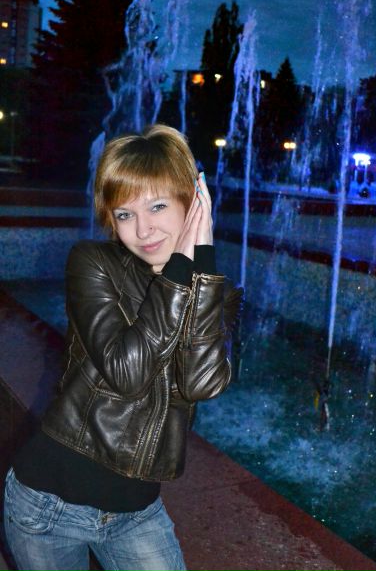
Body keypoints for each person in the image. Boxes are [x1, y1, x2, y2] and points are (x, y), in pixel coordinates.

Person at [3, 124, 243, 571]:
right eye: (125, 214)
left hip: (136, 514)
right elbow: (127, 374)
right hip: (49, 506)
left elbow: (201, 383)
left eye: (157, 206)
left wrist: (202, 265)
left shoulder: (215, 293)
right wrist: (179, 271)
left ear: (192, 204)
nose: (143, 229)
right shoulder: (93, 263)